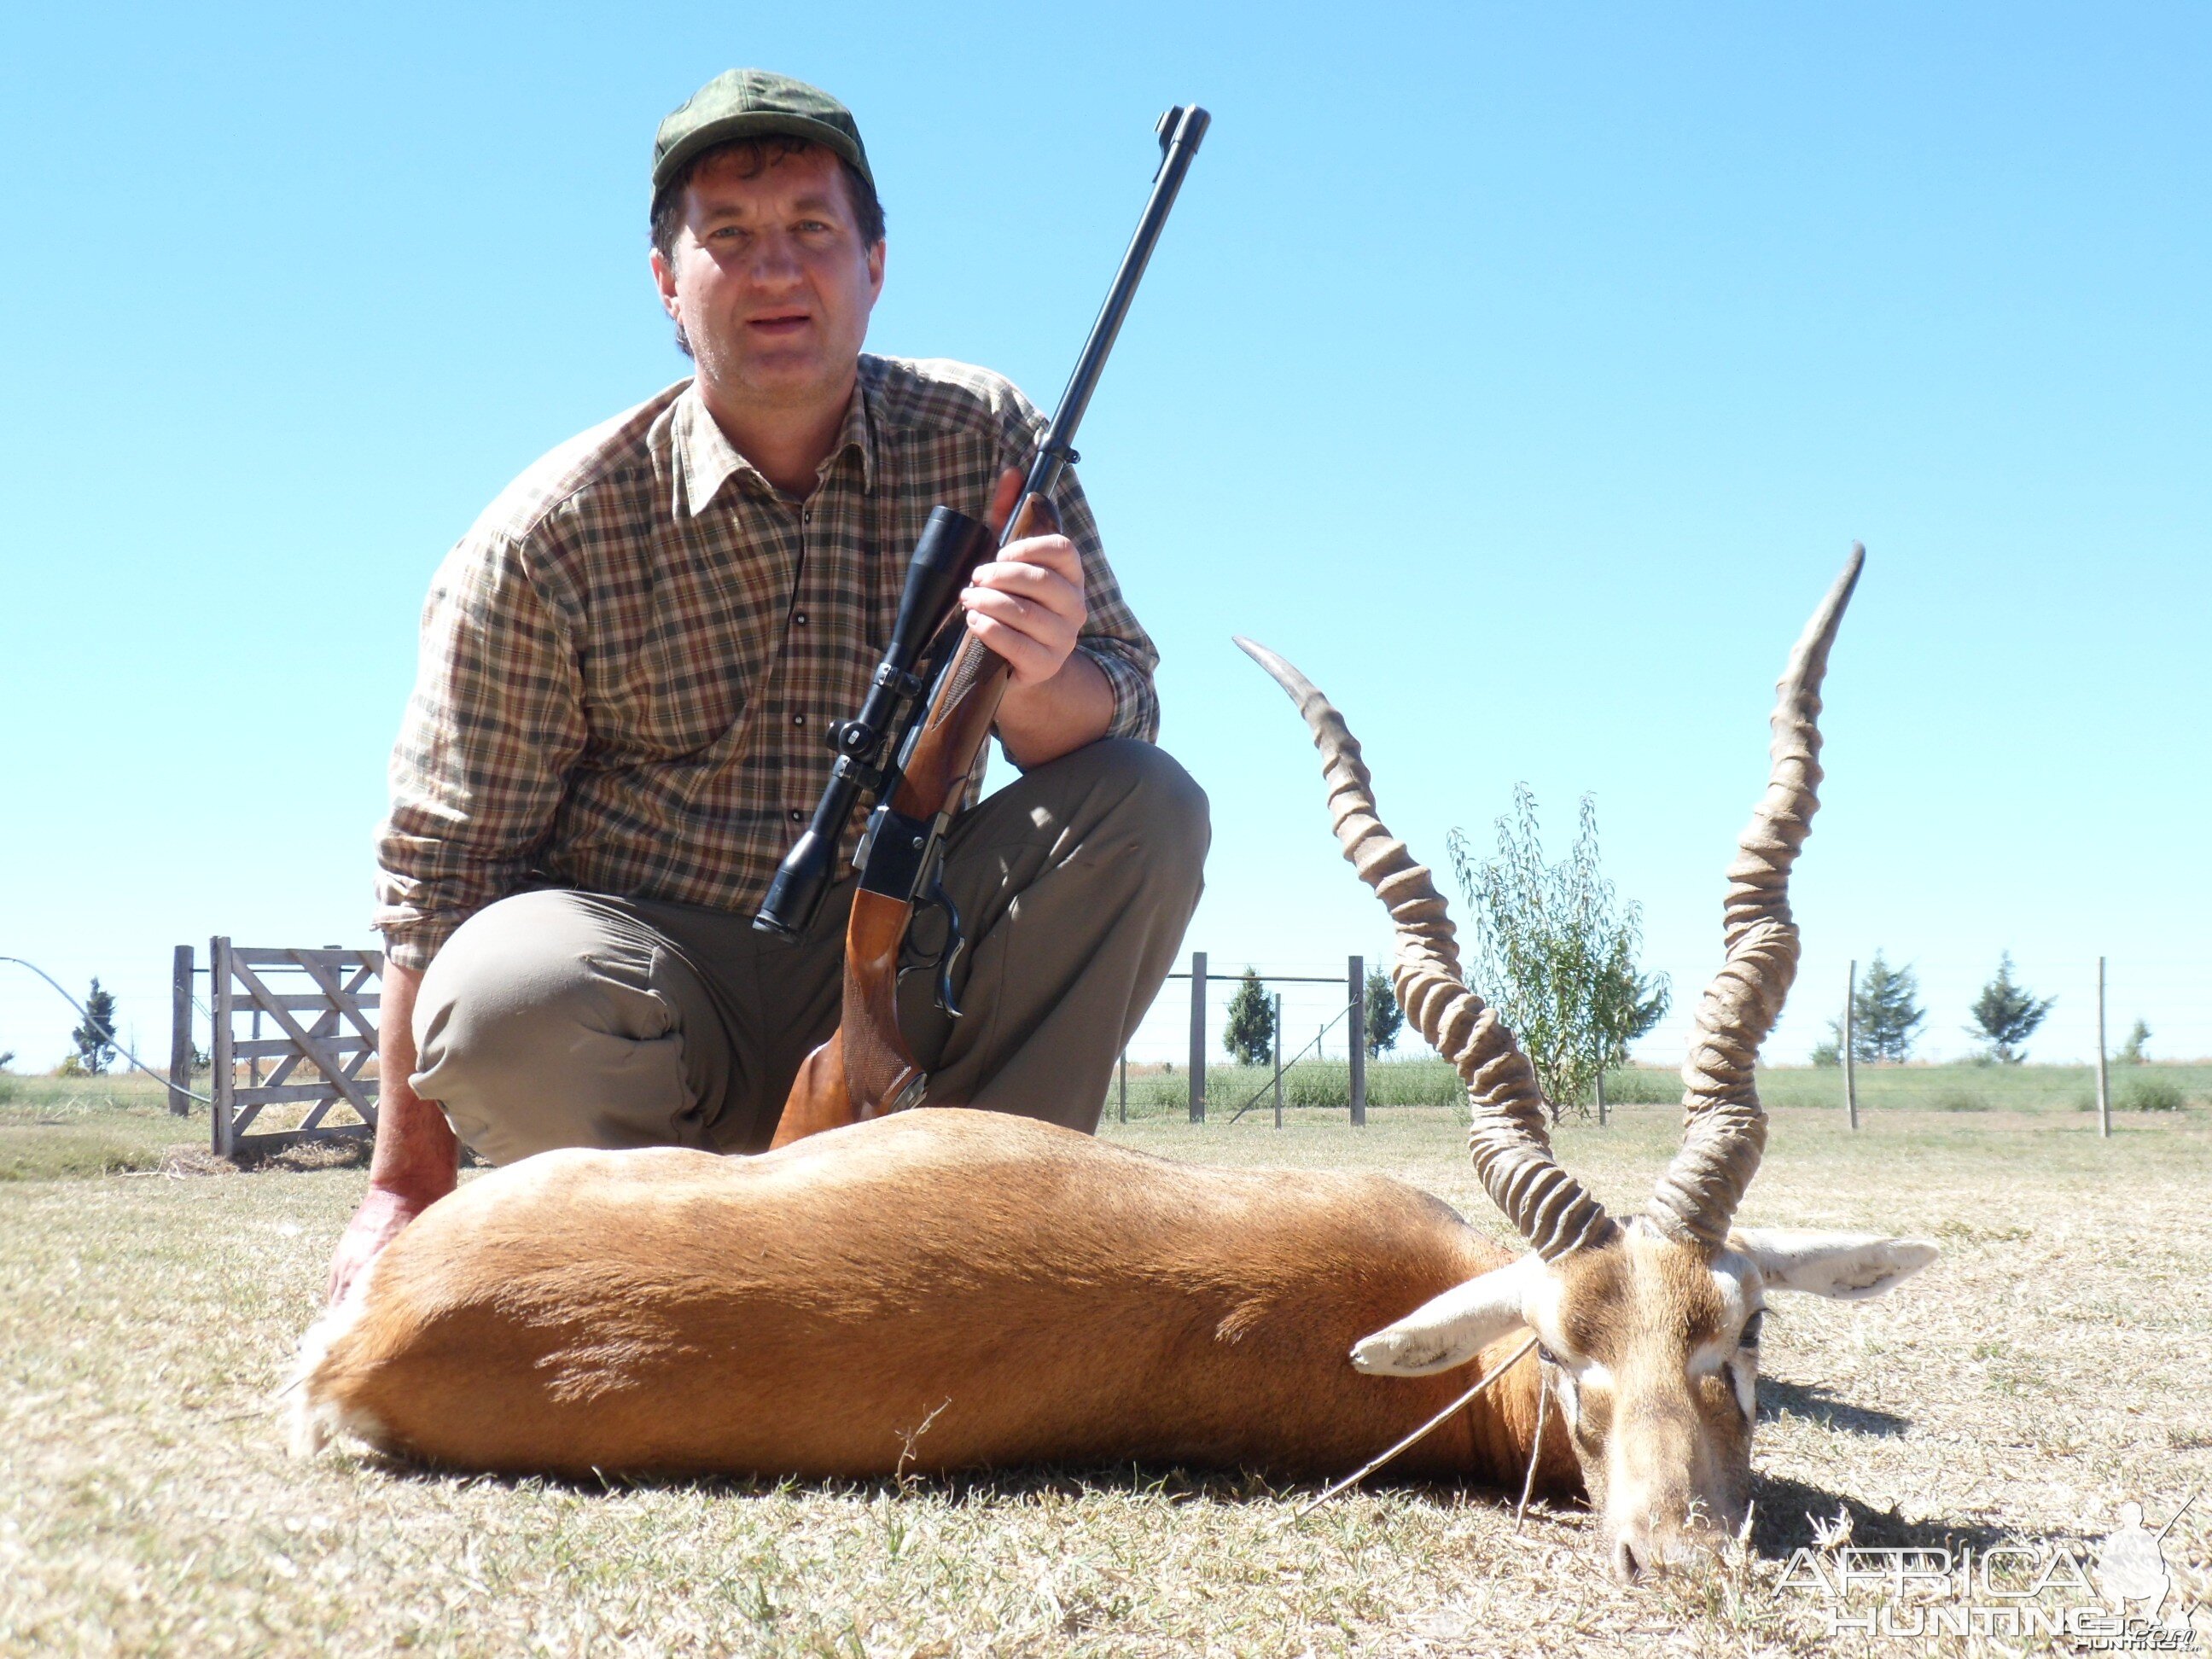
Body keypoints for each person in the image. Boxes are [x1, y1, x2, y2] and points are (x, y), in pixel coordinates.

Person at [329, 70, 1208, 1301]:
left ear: (876, 265)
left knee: (1148, 803)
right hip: (648, 1001)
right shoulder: (547, 536)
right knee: (498, 992)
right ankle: (679, 1275)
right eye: (728, 239)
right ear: (666, 285)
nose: (776, 271)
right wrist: (402, 1192)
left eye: (812, 232)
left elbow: (1131, 703)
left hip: (909, 947)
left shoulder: (990, 436)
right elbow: (437, 879)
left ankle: (993, 1255)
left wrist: (1039, 679)